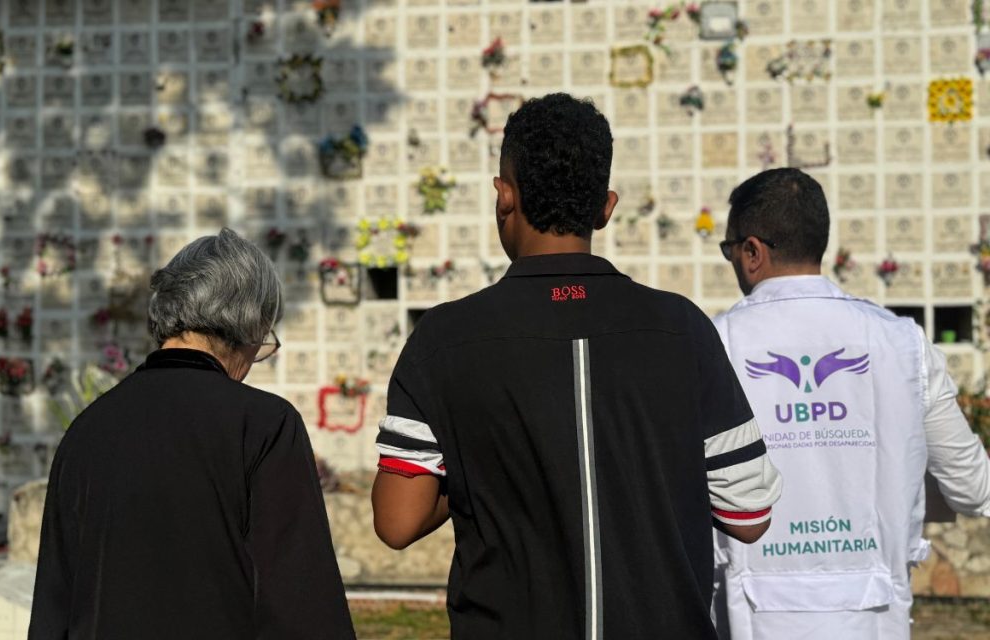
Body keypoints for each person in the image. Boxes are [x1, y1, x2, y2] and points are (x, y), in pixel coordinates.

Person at [370, 93, 782, 639]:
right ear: (606, 208)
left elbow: (397, 522)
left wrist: (479, 476)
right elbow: (748, 516)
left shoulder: (443, 341)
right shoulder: (682, 330)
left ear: (504, 196)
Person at [30, 229, 355, 639]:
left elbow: (54, 603)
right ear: (250, 326)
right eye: (263, 344)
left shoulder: (87, 429)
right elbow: (301, 601)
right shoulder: (262, 425)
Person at [711, 168, 990, 640]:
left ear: (752, 251)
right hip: (874, 616)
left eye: (729, 250)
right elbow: (972, 488)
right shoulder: (902, 343)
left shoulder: (714, 342)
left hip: (752, 617)